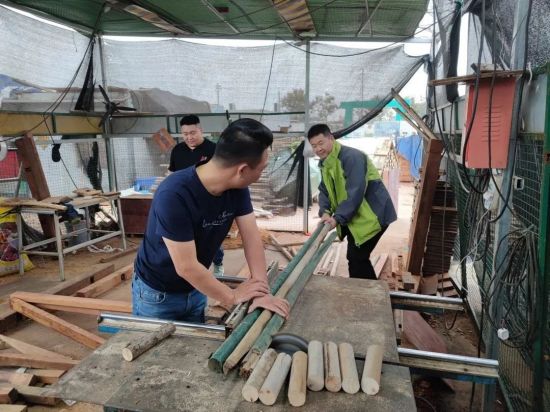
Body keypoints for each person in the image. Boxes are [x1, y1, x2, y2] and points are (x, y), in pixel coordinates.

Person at [133, 118, 290, 322]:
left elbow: (252, 238)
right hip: (158, 295)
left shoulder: (237, 188)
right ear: (242, 170)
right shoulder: (174, 194)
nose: (261, 174)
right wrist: (232, 296)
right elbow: (186, 266)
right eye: (262, 168)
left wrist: (261, 292)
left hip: (198, 285)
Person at [307, 123, 397, 280]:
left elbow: (355, 191)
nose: (318, 149)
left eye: (321, 143)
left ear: (331, 138)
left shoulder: (352, 157)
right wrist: (325, 212)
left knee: (357, 258)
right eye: (314, 146)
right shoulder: (326, 163)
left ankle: (367, 293)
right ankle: (365, 290)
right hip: (355, 217)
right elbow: (325, 189)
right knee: (356, 258)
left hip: (373, 215)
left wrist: (337, 218)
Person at [169, 114, 224, 276]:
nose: (189, 137)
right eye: (185, 134)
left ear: (201, 130)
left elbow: (222, 176)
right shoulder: (178, 150)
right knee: (187, 237)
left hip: (208, 201)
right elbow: (172, 175)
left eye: (192, 133)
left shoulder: (213, 149)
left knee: (211, 236)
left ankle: (218, 263)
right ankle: (194, 270)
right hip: (183, 202)